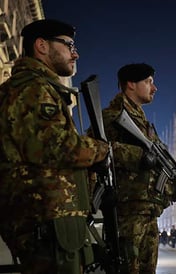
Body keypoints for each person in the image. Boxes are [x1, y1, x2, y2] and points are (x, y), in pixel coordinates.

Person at [0, 19, 110, 274]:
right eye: (68, 45)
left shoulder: (37, 87)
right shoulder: (32, 89)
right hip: (46, 223)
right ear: (42, 46)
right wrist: (100, 149)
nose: (75, 53)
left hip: (49, 222)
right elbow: (59, 147)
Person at [99, 63, 176, 274]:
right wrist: (137, 155)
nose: (154, 88)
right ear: (131, 84)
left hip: (147, 212)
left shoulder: (143, 123)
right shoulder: (112, 116)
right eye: (148, 82)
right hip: (127, 214)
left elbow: (153, 169)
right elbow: (98, 150)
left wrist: (175, 188)